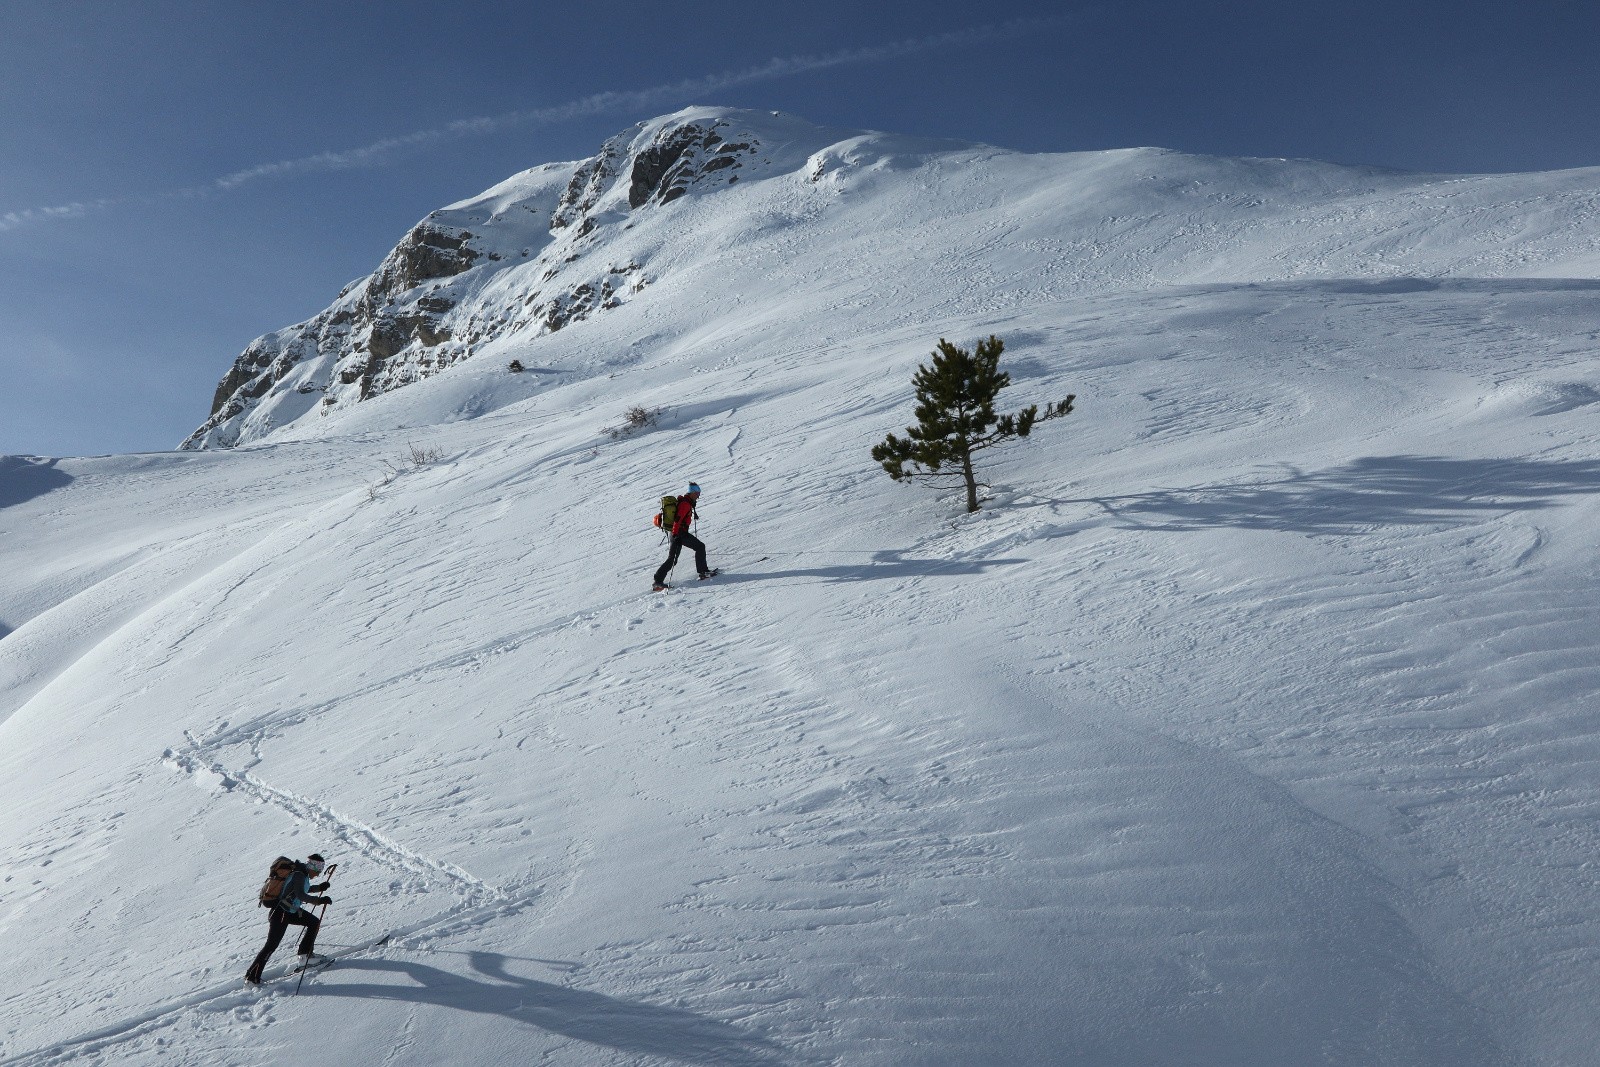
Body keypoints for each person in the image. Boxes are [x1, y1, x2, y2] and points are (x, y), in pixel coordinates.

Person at [245, 853, 333, 984]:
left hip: (288, 911)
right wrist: (319, 901)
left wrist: (319, 888)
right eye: (317, 871)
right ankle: (251, 978)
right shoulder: (299, 875)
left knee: (313, 922)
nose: (318, 874)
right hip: (281, 913)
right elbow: (301, 895)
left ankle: (305, 956)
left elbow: (300, 890)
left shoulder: (302, 874)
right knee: (271, 945)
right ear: (312, 867)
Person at [653, 482, 715, 591]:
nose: (698, 496)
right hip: (679, 533)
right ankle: (703, 572)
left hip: (676, 533)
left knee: (673, 559)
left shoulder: (687, 502)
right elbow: (677, 519)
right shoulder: (685, 504)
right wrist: (676, 534)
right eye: (697, 493)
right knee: (700, 547)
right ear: (691, 493)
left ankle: (658, 581)